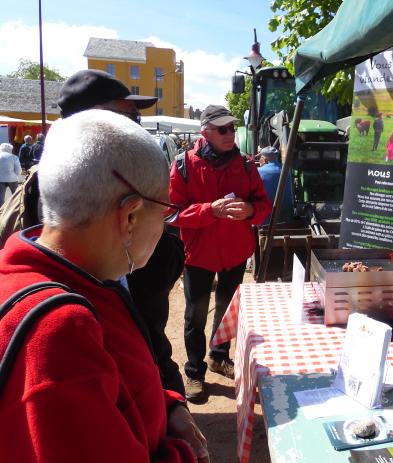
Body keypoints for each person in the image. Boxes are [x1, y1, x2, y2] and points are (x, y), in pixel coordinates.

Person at [0, 110, 207, 462]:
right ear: (129, 216)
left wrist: (167, 405)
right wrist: (183, 453)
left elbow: (115, 384)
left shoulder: (76, 277)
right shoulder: (59, 331)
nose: (167, 226)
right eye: (166, 212)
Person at [0, 69, 188, 396]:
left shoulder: (127, 176)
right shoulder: (60, 325)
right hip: (105, 381)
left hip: (145, 359)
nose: (136, 124)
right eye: (128, 116)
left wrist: (168, 402)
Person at [170, 105, 272, 403]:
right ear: (205, 132)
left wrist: (251, 210)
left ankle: (218, 357)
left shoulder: (247, 165)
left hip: (236, 254)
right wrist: (208, 211)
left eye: (231, 128)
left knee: (228, 312)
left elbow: (263, 206)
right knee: (194, 316)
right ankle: (194, 372)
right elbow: (170, 214)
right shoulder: (183, 165)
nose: (230, 134)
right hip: (198, 256)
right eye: (223, 129)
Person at [257, 146, 294, 224]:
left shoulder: (259, 171)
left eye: (260, 157)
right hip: (287, 217)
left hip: (267, 219)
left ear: (264, 159)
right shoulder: (287, 170)